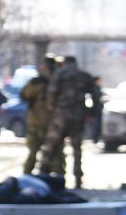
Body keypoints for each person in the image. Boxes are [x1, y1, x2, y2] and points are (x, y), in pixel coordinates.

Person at [40, 55, 99, 188]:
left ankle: (44, 175)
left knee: (51, 146)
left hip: (60, 115)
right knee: (77, 149)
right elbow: (95, 95)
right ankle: (78, 180)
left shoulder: (59, 74)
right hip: (78, 116)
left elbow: (51, 92)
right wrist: (91, 113)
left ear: (65, 63)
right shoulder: (84, 75)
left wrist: (51, 107)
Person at [21, 58, 58, 176]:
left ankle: (27, 177)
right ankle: (57, 179)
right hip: (53, 124)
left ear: (43, 67)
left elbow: (24, 95)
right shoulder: (59, 81)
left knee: (33, 152)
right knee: (56, 155)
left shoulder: (36, 82)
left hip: (36, 122)